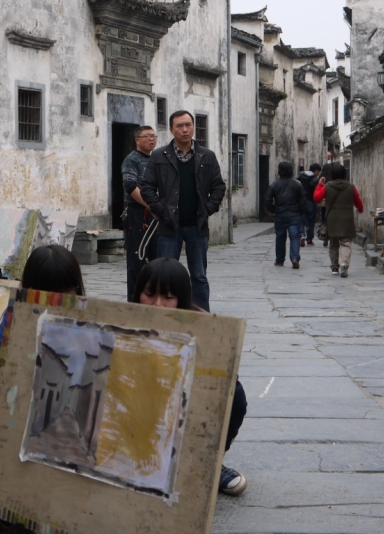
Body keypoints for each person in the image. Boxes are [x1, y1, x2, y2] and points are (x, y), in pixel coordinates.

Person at [131, 258, 248, 496]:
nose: (158, 305)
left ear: (182, 299)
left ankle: (209, 465)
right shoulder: (122, 322)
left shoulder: (204, 326)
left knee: (234, 393)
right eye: (150, 294)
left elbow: (221, 381)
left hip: (184, 409)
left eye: (168, 297)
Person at [139, 110, 226, 312]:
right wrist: (161, 210)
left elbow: (218, 187)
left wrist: (208, 208)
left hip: (197, 226)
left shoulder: (207, 156)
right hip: (169, 227)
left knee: (199, 275)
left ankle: (201, 316)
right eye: (179, 126)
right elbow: (147, 188)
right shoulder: (159, 156)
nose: (185, 129)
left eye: (188, 125)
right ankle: (164, 314)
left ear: (193, 127)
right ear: (171, 129)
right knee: (164, 275)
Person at [0, 244, 86, 343]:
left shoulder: (88, 321)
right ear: (30, 289)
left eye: (64, 292)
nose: (56, 301)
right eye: (48, 294)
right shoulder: (15, 318)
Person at [121, 126, 158, 301]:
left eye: (153, 136)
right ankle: (134, 303)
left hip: (156, 216)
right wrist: (149, 205)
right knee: (136, 261)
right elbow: (130, 186)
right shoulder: (131, 160)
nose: (151, 139)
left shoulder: (157, 159)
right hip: (137, 215)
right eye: (147, 136)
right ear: (137, 140)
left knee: (157, 259)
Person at [313, 162, 364, 277]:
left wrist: (320, 185)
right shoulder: (351, 187)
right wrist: (360, 209)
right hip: (347, 218)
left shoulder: (327, 186)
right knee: (346, 242)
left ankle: (335, 266)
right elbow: (358, 202)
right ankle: (344, 263)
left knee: (333, 243)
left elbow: (316, 197)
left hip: (332, 218)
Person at [264, 161, 308, 269]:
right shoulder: (297, 184)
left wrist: (273, 210)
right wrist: (301, 212)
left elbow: (267, 199)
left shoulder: (275, 184)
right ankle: (294, 258)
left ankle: (279, 260)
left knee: (280, 237)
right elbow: (303, 201)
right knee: (294, 236)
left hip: (280, 214)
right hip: (294, 214)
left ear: (279, 172)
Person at [296, 163, 322, 246]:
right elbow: (316, 191)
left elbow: (295, 183)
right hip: (311, 201)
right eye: (318, 172)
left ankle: (302, 235)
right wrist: (317, 202)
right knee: (311, 220)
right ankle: (309, 239)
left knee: (301, 219)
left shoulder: (301, 176)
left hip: (301, 201)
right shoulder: (315, 179)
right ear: (316, 171)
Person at [317, 163, 333, 247]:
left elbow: (318, 190)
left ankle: (325, 237)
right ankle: (331, 238)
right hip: (331, 203)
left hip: (323, 203)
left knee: (324, 221)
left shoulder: (321, 178)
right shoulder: (332, 178)